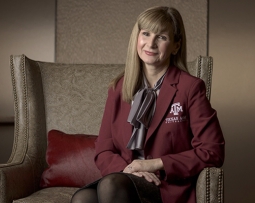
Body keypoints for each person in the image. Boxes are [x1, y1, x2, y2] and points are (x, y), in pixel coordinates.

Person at [71, 6, 225, 203]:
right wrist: (127, 170)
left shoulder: (190, 88)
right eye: (146, 34)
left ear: (176, 45)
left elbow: (213, 151)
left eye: (161, 37)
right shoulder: (119, 87)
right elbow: (103, 148)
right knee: (83, 199)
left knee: (111, 186)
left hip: (165, 185)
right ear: (137, 38)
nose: (150, 44)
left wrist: (154, 164)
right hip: (124, 176)